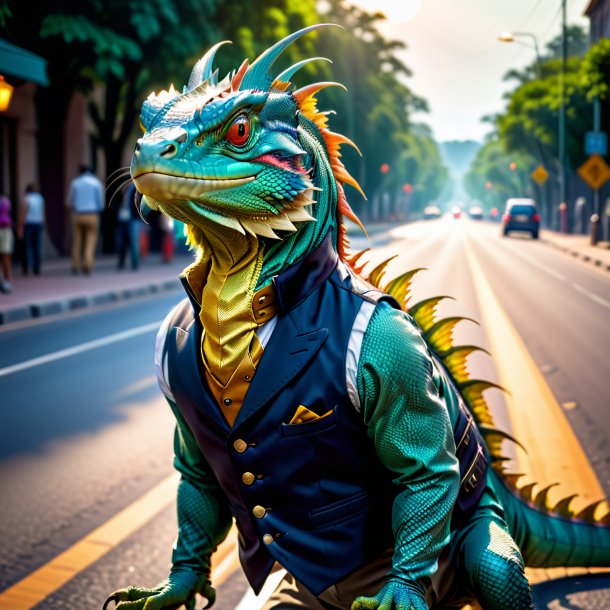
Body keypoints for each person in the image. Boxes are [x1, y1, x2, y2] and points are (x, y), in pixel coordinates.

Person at [66, 164, 104, 275]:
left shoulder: (75, 183)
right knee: (90, 241)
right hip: (92, 214)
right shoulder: (96, 183)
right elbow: (100, 204)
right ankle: (87, 265)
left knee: (77, 241)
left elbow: (69, 202)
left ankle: (75, 265)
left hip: (77, 214)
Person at [19, 183, 45, 275]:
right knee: (36, 246)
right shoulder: (40, 198)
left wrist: (20, 226)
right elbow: (42, 212)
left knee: (27, 246)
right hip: (38, 223)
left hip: (29, 224)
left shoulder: (27, 198)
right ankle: (36, 268)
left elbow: (23, 212)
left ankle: (26, 268)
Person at [116, 182, 141, 271]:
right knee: (122, 241)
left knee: (134, 242)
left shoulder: (138, 188)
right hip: (123, 218)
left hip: (134, 218)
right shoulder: (124, 188)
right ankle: (121, 262)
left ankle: (135, 264)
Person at [0, 192, 13, 293]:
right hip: (5, 230)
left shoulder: (5, 201)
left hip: (4, 230)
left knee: (5, 257)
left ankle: (7, 281)